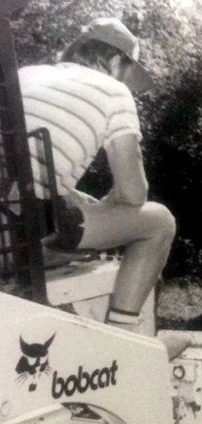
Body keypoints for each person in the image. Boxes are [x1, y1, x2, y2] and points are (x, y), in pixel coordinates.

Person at [19, 17, 175, 333]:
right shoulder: (115, 92)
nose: (128, 82)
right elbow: (133, 193)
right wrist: (107, 204)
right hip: (28, 233)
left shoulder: (24, 75)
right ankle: (125, 333)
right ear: (117, 60)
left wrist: (81, 200)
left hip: (6, 230)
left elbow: (26, 171)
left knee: (73, 204)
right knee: (160, 222)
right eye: (129, 72)